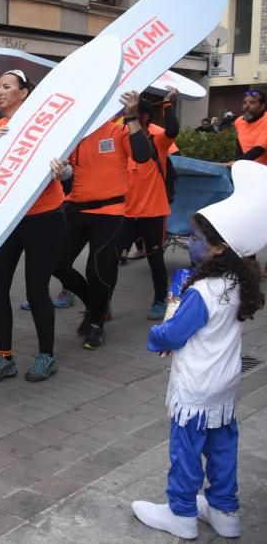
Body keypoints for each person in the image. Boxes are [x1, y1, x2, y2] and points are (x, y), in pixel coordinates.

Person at [131, 161, 266, 540]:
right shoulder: (236, 283)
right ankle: (225, 510)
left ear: (219, 247)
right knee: (222, 448)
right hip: (225, 385)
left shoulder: (203, 291)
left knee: (186, 451)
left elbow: (173, 333)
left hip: (196, 387)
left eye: (195, 239)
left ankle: (182, 514)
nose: (189, 244)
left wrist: (157, 336)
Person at [0, 71, 67, 384]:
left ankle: (46, 355)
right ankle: (4, 357)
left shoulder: (44, 125)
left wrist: (63, 169)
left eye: (7, 87)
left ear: (24, 92)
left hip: (45, 216)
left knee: (35, 289)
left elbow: (68, 170)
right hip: (8, 220)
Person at [50, 92, 151, 350]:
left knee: (97, 271)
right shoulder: (75, 136)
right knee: (57, 263)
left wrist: (132, 115)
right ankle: (96, 305)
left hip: (110, 212)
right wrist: (62, 173)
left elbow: (142, 155)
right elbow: (71, 173)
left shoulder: (118, 130)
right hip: (76, 209)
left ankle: (96, 324)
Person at [123, 90, 179, 321]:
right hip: (125, 212)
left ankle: (159, 300)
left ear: (143, 116)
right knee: (111, 257)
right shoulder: (123, 138)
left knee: (155, 257)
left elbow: (173, 130)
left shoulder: (158, 138)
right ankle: (101, 304)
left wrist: (168, 104)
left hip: (153, 211)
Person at [232, 88, 267, 166]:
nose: (247, 106)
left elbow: (259, 149)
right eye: (244, 103)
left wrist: (237, 162)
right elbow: (240, 144)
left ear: (262, 106)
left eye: (252, 103)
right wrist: (236, 162)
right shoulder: (239, 121)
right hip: (249, 167)